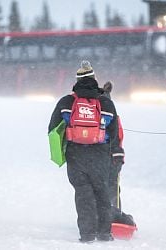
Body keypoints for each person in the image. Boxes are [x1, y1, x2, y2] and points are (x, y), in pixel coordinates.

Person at [48, 61, 124, 243]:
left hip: (76, 154)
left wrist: (63, 150)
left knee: (83, 194)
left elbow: (52, 129)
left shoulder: (67, 101)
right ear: (94, 79)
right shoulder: (105, 102)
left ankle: (87, 234)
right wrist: (114, 153)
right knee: (102, 192)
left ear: (77, 80)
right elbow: (114, 132)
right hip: (100, 154)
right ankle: (104, 233)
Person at [101, 81, 135, 226]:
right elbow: (118, 137)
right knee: (112, 186)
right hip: (110, 156)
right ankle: (113, 216)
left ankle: (99, 215)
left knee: (99, 186)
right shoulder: (110, 113)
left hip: (93, 155)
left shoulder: (96, 111)